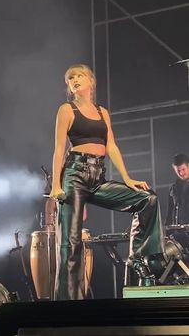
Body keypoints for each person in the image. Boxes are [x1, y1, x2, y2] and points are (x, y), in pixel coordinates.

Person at [50, 64, 164, 300]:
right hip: (74, 175)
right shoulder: (67, 110)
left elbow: (110, 146)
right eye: (70, 79)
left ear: (91, 81)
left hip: (98, 178)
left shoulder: (103, 112)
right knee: (71, 244)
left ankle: (139, 260)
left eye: (79, 76)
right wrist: (56, 185)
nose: (75, 80)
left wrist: (127, 178)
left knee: (148, 199)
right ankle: (67, 305)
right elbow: (59, 149)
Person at [165, 154, 189, 226]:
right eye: (178, 170)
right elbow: (169, 213)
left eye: (183, 169)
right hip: (178, 231)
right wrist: (166, 232)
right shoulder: (173, 188)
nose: (181, 173)